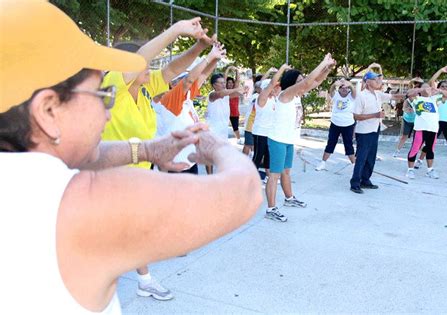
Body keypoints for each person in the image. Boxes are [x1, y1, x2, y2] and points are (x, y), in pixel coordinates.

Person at [0, 1, 262, 313]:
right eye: (100, 95)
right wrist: (215, 145)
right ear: (47, 110)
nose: (107, 115)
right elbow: (244, 192)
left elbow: (174, 71)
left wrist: (148, 149)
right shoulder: (80, 202)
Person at [101, 16, 217, 301]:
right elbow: (143, 59)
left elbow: (172, 70)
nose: (150, 68)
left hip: (138, 175)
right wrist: (176, 30)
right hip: (112, 178)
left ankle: (141, 279)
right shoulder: (113, 85)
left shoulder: (141, 90)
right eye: (144, 64)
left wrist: (199, 48)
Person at [265, 55, 336, 222]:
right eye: (300, 79)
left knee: (286, 172)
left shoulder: (296, 95)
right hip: (277, 140)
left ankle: (289, 199)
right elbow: (307, 82)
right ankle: (271, 209)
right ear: (291, 82)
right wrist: (323, 62)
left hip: (288, 140)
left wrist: (328, 69)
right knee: (274, 175)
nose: (304, 82)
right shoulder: (286, 94)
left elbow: (315, 81)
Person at [153, 41, 226, 174]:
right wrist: (209, 57)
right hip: (174, 166)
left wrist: (216, 58)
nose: (184, 82)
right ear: (172, 84)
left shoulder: (185, 99)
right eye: (180, 79)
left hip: (188, 164)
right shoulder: (169, 100)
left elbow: (202, 75)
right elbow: (189, 80)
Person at [350, 71, 403, 194]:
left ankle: (365, 180)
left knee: (371, 157)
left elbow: (394, 96)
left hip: (375, 129)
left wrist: (412, 93)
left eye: (379, 80)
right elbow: (356, 116)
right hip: (364, 132)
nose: (378, 81)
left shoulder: (378, 94)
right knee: (361, 158)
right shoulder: (361, 96)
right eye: (375, 79)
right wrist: (376, 115)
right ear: (367, 82)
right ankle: (355, 183)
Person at [415, 66, 447, 171]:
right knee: (429, 143)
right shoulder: (435, 96)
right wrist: (441, 70)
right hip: (436, 122)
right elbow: (432, 80)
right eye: (443, 86)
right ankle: (419, 161)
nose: (445, 87)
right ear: (439, 87)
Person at [205, 73, 244, 174]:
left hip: (222, 131)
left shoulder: (226, 95)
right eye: (221, 83)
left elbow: (237, 93)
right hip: (212, 131)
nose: (224, 84)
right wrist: (237, 89)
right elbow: (221, 94)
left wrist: (242, 90)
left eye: (224, 82)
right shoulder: (212, 95)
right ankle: (210, 177)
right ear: (214, 85)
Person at [315, 78, 356, 171]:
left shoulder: (351, 96)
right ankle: (323, 163)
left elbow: (354, 91)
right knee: (331, 143)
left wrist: (349, 84)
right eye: (342, 87)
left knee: (348, 145)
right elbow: (331, 90)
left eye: (346, 88)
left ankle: (354, 165)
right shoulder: (336, 95)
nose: (344, 89)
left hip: (348, 124)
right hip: (335, 123)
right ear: (339, 89)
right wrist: (334, 84)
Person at [405, 84, 443, 179]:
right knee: (415, 149)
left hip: (433, 129)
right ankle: (410, 170)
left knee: (430, 150)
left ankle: (430, 170)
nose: (428, 88)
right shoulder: (417, 99)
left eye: (429, 87)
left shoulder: (434, 99)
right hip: (420, 128)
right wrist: (422, 89)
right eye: (425, 87)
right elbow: (409, 93)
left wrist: (437, 90)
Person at [393, 78, 424, 158]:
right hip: (407, 120)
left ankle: (420, 154)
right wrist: (407, 110)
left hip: (416, 121)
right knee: (404, 136)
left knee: (417, 138)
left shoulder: (420, 99)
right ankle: (397, 151)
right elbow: (404, 108)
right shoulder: (408, 99)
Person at [225, 66, 243, 143]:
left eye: (232, 82)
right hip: (225, 112)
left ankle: (238, 139)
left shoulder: (234, 89)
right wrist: (228, 69)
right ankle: (223, 139)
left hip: (234, 112)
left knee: (235, 127)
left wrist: (237, 70)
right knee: (223, 126)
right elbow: (224, 78)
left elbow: (238, 80)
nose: (231, 84)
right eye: (229, 82)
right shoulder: (224, 90)